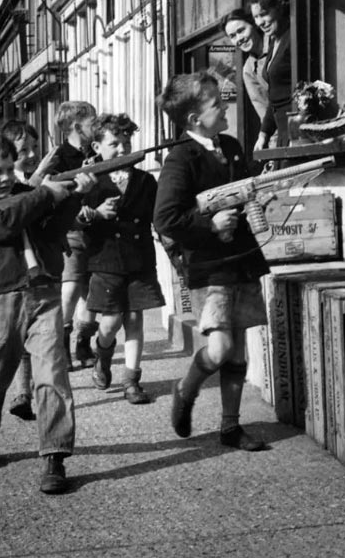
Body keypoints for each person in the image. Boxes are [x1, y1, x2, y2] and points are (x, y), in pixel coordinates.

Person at [0, 128, 96, 494]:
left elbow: (53, 232)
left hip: (45, 292)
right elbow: (3, 225)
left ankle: (55, 454)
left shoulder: (26, 194)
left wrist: (74, 197)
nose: (7, 177)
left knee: (52, 373)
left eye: (10, 168)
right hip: (4, 299)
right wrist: (44, 193)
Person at [153, 72, 270, 450]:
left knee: (238, 352)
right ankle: (186, 390)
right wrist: (210, 223)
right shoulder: (180, 159)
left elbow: (242, 189)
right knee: (218, 350)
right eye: (217, 104)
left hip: (242, 260)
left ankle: (230, 427)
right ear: (194, 119)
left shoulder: (231, 145)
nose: (225, 108)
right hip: (210, 266)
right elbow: (166, 218)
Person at [79, 113, 165, 404]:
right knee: (110, 323)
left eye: (126, 143)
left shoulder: (145, 180)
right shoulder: (89, 181)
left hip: (139, 260)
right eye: (114, 144)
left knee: (135, 319)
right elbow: (73, 218)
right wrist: (95, 213)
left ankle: (131, 380)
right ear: (97, 147)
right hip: (105, 261)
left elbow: (158, 218)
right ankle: (102, 355)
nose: (122, 149)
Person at [0, 119, 59, 422]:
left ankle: (31, 393)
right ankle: (23, 391)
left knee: (42, 338)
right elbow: (18, 204)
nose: (33, 154)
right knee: (17, 337)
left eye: (35, 147)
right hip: (14, 271)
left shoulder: (47, 177)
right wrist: (40, 181)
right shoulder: (4, 183)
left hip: (43, 267)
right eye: (24, 150)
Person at [45, 100, 99, 369]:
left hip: (99, 230)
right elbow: (50, 196)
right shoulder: (58, 159)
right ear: (77, 127)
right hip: (70, 232)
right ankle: (61, 343)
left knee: (93, 292)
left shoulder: (98, 152)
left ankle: (83, 342)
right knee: (70, 290)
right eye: (92, 122)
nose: (97, 126)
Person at [249, 0, 292, 150]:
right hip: (283, 132)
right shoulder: (274, 40)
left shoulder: (291, 37)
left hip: (295, 131)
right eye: (256, 17)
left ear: (279, 8)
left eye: (264, 14)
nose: (260, 22)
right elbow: (275, 97)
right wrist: (263, 134)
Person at [222, 8, 269, 140]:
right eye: (233, 36)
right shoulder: (248, 70)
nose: (239, 39)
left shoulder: (276, 43)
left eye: (241, 30)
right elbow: (264, 112)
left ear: (254, 24)